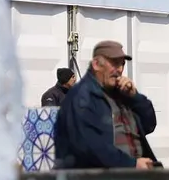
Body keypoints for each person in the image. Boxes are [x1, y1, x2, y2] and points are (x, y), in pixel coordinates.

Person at [54, 41, 158, 169]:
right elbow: (91, 147)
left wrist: (135, 97)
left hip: (131, 172)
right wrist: (133, 164)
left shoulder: (121, 94)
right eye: (114, 63)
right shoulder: (82, 97)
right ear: (96, 64)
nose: (119, 69)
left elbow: (149, 125)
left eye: (122, 64)